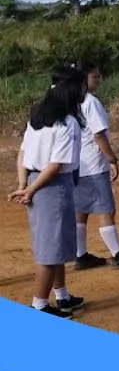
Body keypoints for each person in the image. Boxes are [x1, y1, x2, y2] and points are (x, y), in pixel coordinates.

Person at [10, 66, 89, 317]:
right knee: (50, 251)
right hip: (51, 186)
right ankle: (40, 305)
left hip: (37, 182)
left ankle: (62, 296)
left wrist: (24, 185)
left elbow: (22, 154)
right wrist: (31, 190)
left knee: (57, 245)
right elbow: (56, 165)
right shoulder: (67, 123)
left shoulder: (38, 116)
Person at [72, 62, 119, 270]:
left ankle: (80, 255)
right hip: (94, 164)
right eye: (95, 76)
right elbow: (98, 135)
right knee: (106, 208)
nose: (99, 79)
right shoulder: (90, 102)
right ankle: (117, 254)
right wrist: (112, 159)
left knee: (81, 209)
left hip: (76, 163)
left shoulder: (71, 101)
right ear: (84, 80)